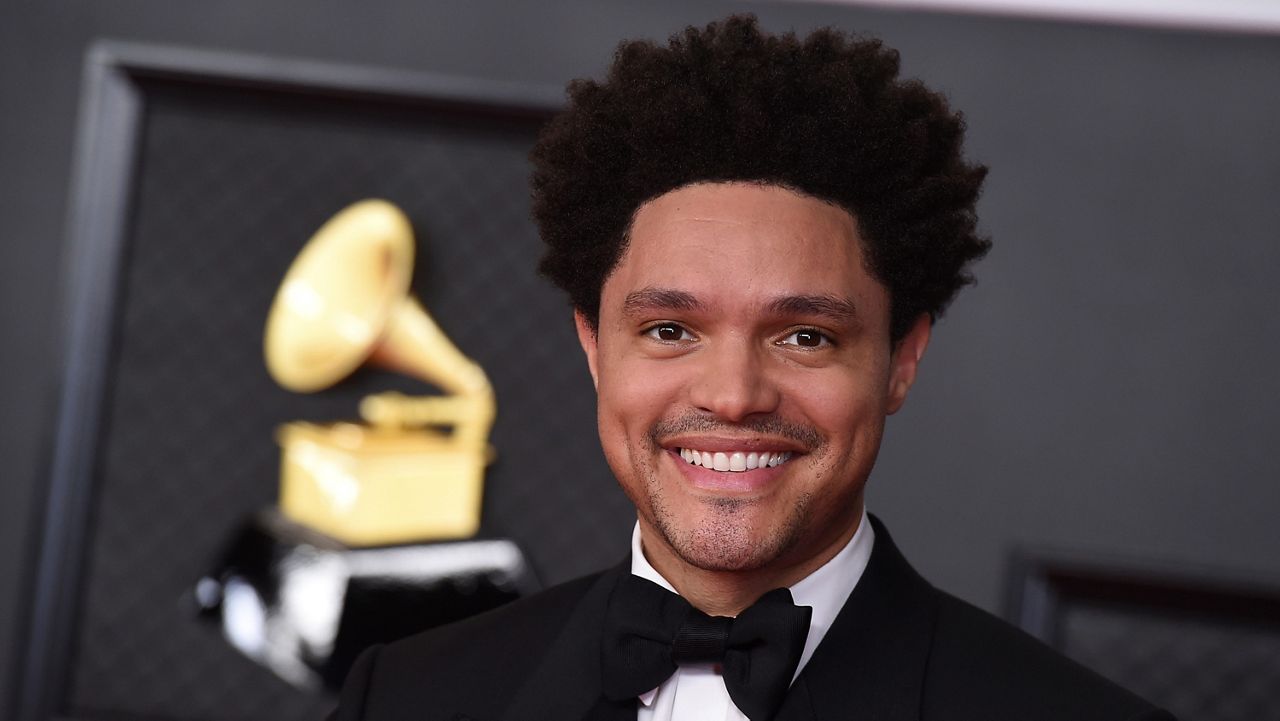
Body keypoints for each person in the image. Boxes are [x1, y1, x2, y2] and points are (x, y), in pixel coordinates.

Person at [329, 15, 1173, 721]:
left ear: (901, 360)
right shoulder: (403, 697)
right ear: (594, 347)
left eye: (803, 336)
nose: (732, 395)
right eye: (669, 328)